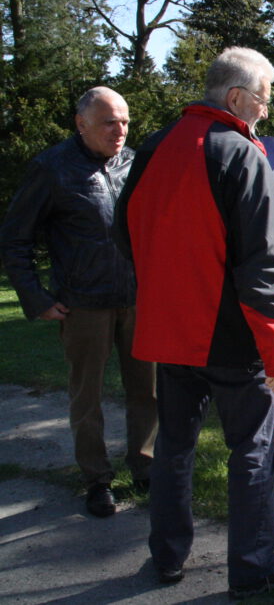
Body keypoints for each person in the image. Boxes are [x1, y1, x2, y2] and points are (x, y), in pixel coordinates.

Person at [114, 47, 274, 597]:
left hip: (168, 332)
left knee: (174, 447)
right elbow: (261, 264)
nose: (267, 111)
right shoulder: (240, 153)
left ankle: (167, 558)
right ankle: (254, 566)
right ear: (236, 98)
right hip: (229, 338)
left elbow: (124, 235)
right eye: (264, 97)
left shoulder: (154, 147)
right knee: (252, 447)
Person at [0, 87, 157, 517]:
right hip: (83, 303)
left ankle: (145, 468)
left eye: (125, 121)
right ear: (81, 124)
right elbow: (15, 238)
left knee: (147, 390)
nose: (120, 130)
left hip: (136, 299)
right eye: (109, 122)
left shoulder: (136, 164)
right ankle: (96, 479)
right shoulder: (52, 168)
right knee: (86, 396)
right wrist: (36, 298)